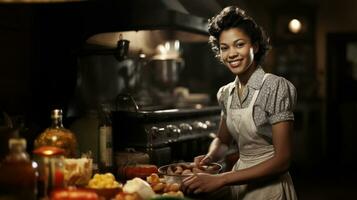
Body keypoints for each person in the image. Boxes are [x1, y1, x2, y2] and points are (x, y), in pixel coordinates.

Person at [181, 6, 298, 200]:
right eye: (224, 48)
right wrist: (209, 157)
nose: (231, 53)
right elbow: (223, 140)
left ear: (255, 46)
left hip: (271, 190)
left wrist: (222, 179)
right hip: (239, 187)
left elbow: (283, 160)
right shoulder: (226, 93)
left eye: (239, 44)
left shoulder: (274, 87)